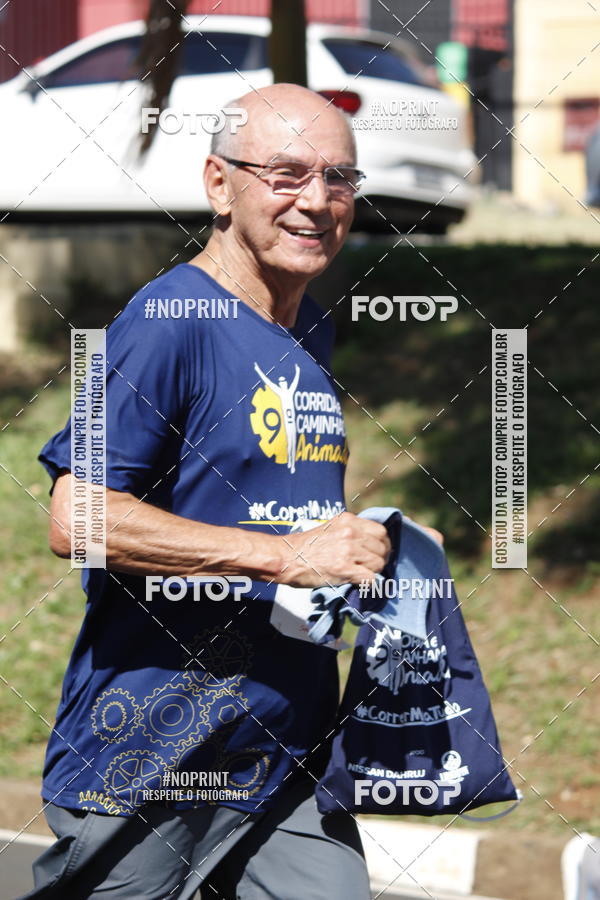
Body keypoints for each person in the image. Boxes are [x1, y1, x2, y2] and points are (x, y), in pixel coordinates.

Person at [25, 83, 436, 900]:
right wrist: (287, 557)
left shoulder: (308, 323)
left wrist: (367, 553)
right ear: (219, 184)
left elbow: (271, 502)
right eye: (285, 175)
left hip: (283, 752)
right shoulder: (167, 319)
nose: (316, 202)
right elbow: (79, 517)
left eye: (339, 179)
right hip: (155, 752)